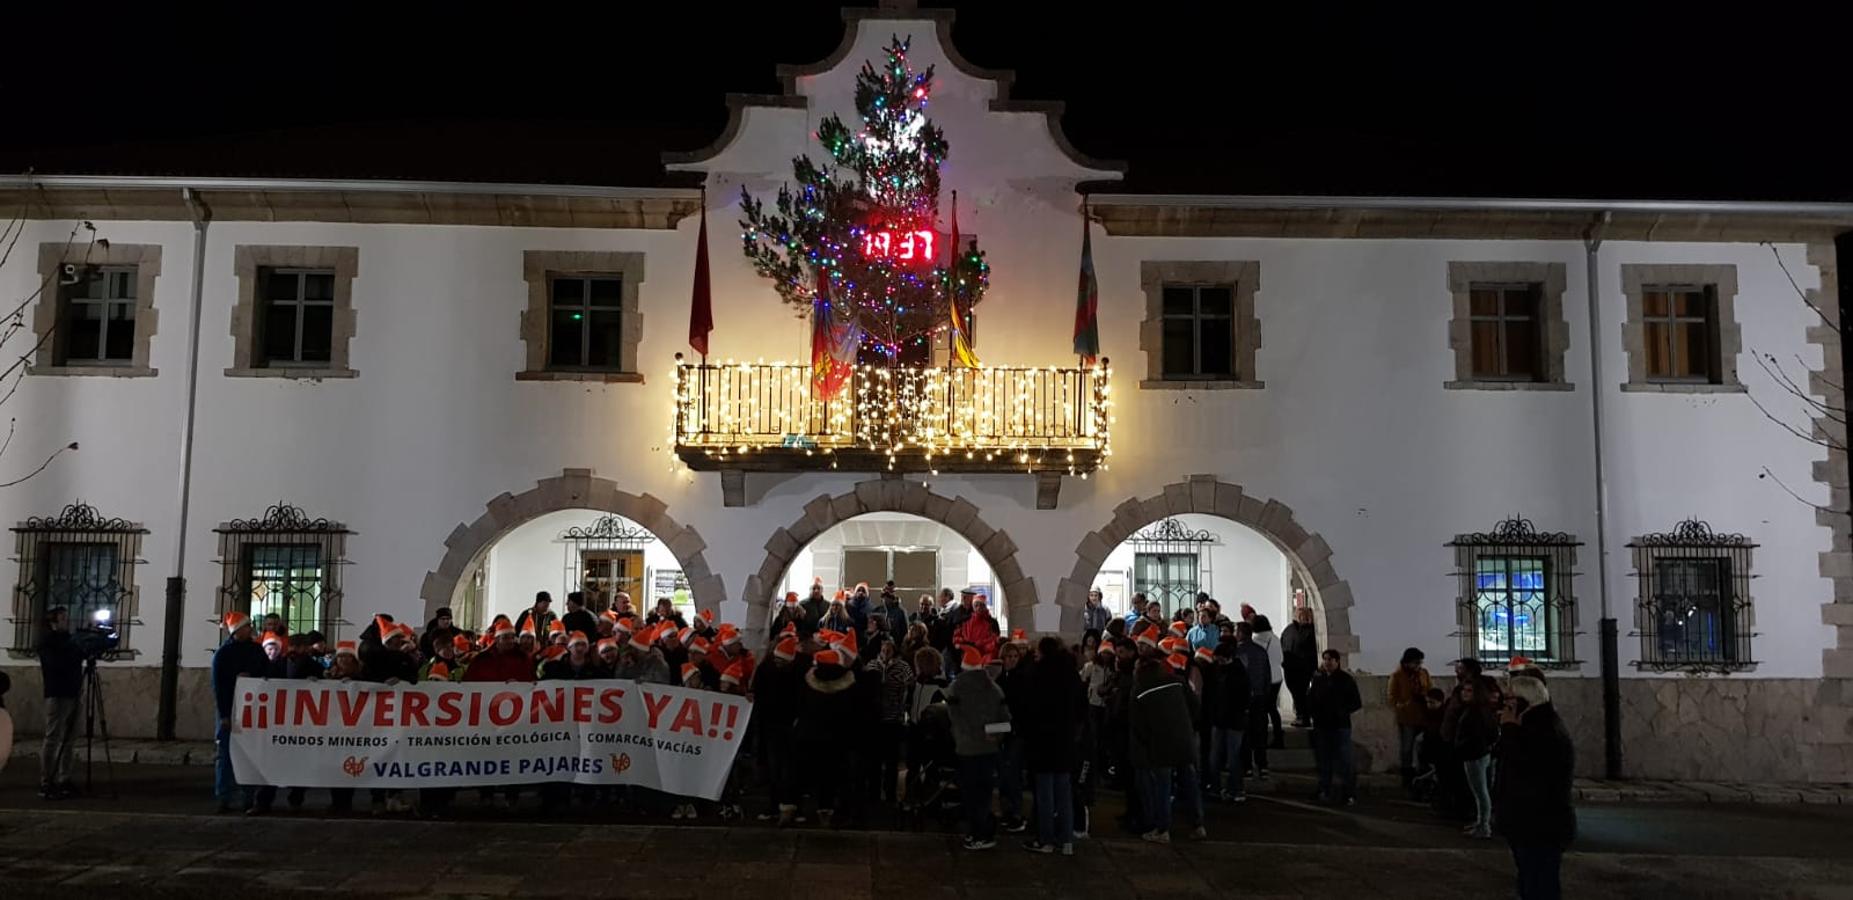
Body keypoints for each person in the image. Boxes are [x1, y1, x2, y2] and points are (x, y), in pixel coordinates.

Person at [1495, 675, 1575, 900]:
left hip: (1540, 825)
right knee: (1531, 880)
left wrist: (1509, 730)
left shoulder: (1543, 731)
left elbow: (1525, 769)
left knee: (1539, 883)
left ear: (1524, 701)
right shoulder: (1534, 725)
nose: (1504, 705)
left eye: (1509, 699)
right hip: (1532, 824)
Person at [1129, 638, 1202, 843]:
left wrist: (1146, 744)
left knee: (1163, 786)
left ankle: (1163, 828)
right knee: (1189, 783)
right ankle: (1197, 824)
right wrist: (1187, 725)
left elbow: (1138, 724)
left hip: (1160, 744)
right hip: (1184, 739)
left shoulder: (1140, 691)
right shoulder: (1176, 682)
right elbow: (1195, 706)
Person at [1018, 636, 1084, 855]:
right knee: (1064, 791)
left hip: (1042, 740)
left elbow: (1027, 707)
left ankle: (1045, 839)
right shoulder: (1070, 674)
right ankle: (1066, 840)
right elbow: (1080, 707)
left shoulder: (1037, 674)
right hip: (1064, 740)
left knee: (1045, 792)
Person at [787, 647, 863, 828]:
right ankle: (826, 812)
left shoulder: (808, 682)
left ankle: (790, 808)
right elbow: (853, 712)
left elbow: (799, 705)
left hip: (807, 734)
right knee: (829, 777)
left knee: (798, 773)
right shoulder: (848, 685)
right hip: (836, 737)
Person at [946, 645, 1009, 851]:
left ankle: (977, 832)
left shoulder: (956, 689)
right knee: (984, 791)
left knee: (971, 793)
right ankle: (984, 831)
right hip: (989, 749)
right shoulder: (994, 689)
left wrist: (964, 736)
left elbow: (954, 719)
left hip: (966, 748)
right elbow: (1006, 721)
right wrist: (992, 734)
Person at [211, 611, 269, 814]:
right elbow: (219, 687)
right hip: (231, 710)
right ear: (237, 630)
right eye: (246, 626)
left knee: (249, 754)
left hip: (252, 711)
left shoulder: (256, 650)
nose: (250, 628)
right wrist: (224, 714)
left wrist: (252, 676)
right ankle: (224, 796)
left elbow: (268, 674)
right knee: (226, 755)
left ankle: (247, 796)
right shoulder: (223, 654)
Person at [35, 607, 83, 801]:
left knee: (69, 738)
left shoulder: (71, 640)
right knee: (52, 736)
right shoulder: (47, 642)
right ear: (53, 622)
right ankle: (47, 780)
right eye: (63, 618)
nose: (67, 621)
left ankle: (65, 778)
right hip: (56, 693)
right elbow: (55, 663)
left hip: (73, 692)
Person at [1307, 649, 1362, 805]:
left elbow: (1355, 703)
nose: (1327, 662)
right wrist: (1314, 713)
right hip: (1322, 725)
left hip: (1340, 726)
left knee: (1345, 760)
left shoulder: (1346, 680)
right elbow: (1310, 698)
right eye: (1325, 659)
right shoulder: (1318, 678)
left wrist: (1341, 711)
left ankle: (1349, 793)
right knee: (1323, 760)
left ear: (1337, 662)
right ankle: (1324, 789)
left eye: (1330, 659)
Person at [1449, 676, 1499, 838]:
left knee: (1480, 792)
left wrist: (1467, 746)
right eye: (1464, 690)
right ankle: (1481, 822)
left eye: (1469, 691)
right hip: (1478, 753)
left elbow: (1487, 733)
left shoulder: (1477, 712)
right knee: (1481, 791)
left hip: (1475, 754)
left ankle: (1484, 826)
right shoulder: (1479, 709)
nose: (1465, 693)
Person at [868, 634, 913, 806]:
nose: (885, 652)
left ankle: (890, 793)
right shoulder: (872, 664)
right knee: (874, 760)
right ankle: (873, 794)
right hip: (876, 718)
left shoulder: (902, 666)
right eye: (883, 649)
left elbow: (910, 683)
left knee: (892, 760)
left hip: (893, 718)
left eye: (889, 649)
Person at [993, 636, 1031, 834]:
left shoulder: (1020, 678)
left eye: (1015, 656)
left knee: (1012, 772)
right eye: (1009, 656)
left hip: (1014, 731)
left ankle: (1015, 811)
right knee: (1004, 773)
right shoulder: (1002, 678)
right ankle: (1008, 810)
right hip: (1004, 731)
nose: (1012, 659)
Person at [1206, 639, 1251, 802]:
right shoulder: (1219, 670)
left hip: (1233, 721)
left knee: (1233, 757)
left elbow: (1243, 697)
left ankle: (1235, 789)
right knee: (1216, 757)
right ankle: (1217, 787)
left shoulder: (1237, 673)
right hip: (1220, 719)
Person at [1388, 647, 1434, 791]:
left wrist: (1425, 696)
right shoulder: (1397, 676)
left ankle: (1424, 774)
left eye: (1419, 663)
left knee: (1424, 747)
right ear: (1407, 662)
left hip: (1424, 716)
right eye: (1415, 663)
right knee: (1407, 748)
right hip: (1407, 718)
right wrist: (1406, 704)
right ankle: (1407, 777)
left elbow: (1431, 690)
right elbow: (1392, 698)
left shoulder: (1423, 673)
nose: (1418, 666)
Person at [1232, 622, 1271, 779]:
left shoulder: (1238, 652)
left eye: (1236, 631)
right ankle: (1262, 766)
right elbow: (1267, 676)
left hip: (1245, 699)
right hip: (1260, 696)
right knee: (1260, 733)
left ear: (1241, 634)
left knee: (1246, 734)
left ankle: (1247, 766)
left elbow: (1238, 678)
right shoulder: (1261, 651)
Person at [1279, 604, 1318, 728]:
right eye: (1298, 614)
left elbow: (1312, 651)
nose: (1300, 616)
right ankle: (1300, 715)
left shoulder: (1310, 631)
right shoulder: (1289, 629)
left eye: (1303, 615)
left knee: (1301, 693)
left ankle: (1304, 716)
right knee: (1295, 692)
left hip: (1303, 667)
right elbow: (1283, 642)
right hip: (1289, 666)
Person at [1250, 613, 1285, 748]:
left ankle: (1261, 739)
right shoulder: (1275, 638)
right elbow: (1281, 659)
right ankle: (1278, 737)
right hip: (1277, 677)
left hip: (1263, 678)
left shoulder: (1255, 639)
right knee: (1272, 709)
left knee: (1261, 711)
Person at [953, 599, 1001, 663]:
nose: (979, 608)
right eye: (976, 605)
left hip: (986, 655)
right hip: (968, 654)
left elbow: (994, 638)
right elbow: (957, 636)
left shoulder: (992, 622)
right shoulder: (965, 621)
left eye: (981, 605)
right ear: (973, 607)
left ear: (985, 606)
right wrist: (962, 645)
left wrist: (980, 644)